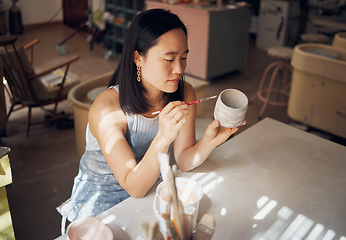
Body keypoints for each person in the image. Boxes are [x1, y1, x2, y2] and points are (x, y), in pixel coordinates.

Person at [57, 8, 245, 227]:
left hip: (149, 189)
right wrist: (163, 138)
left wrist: (210, 141)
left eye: (184, 57)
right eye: (169, 59)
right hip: (101, 202)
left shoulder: (184, 93)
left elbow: (184, 159)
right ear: (138, 57)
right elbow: (134, 186)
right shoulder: (108, 109)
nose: (179, 69)